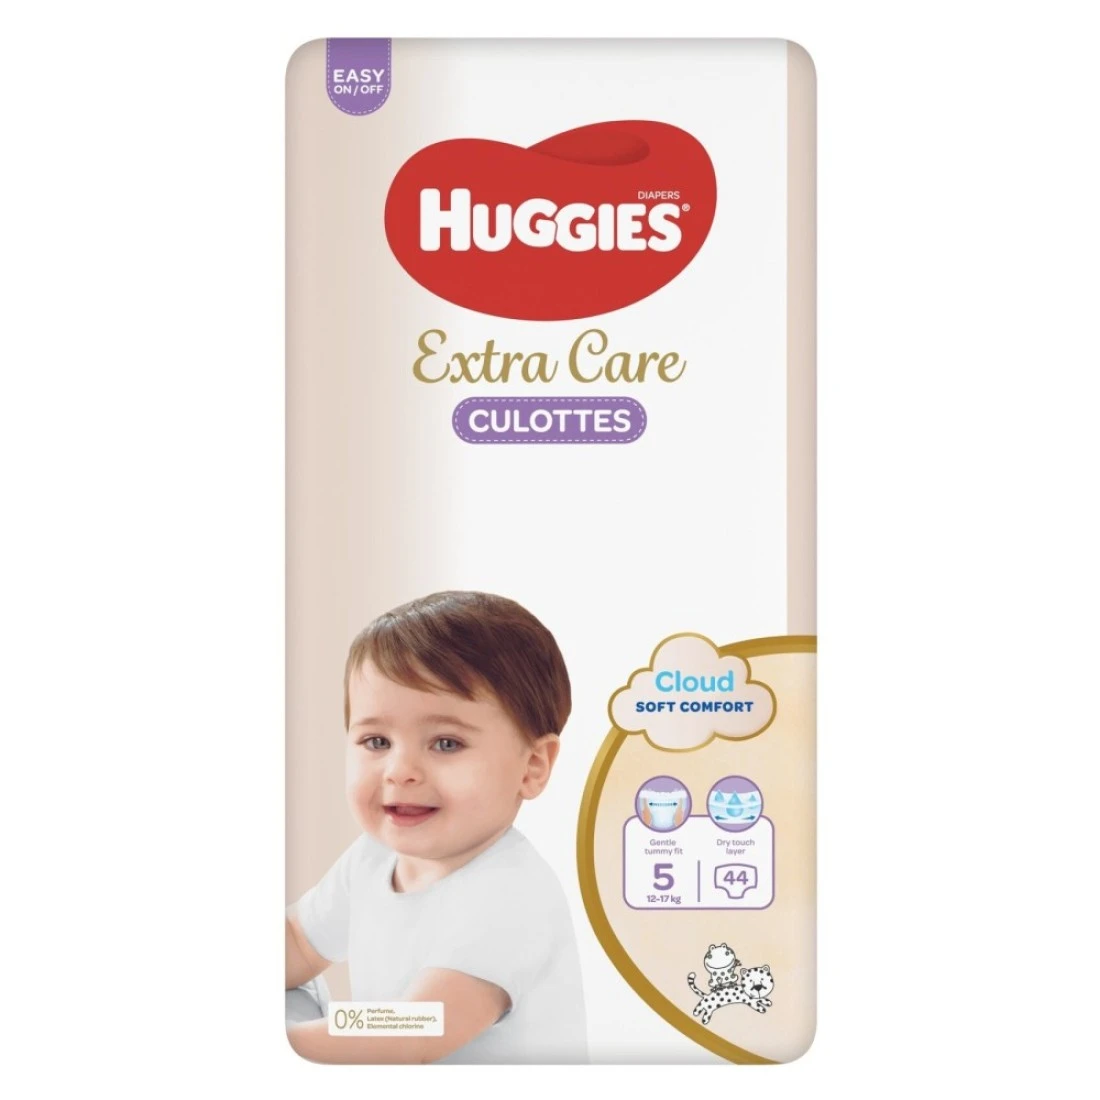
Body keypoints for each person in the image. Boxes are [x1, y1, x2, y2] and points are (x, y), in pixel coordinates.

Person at [285, 591, 588, 1064]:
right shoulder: (373, 857)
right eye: (376, 741)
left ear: (532, 766)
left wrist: (286, 1042)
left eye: (446, 743)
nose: (399, 771)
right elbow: (299, 942)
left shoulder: (512, 895)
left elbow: (414, 1028)